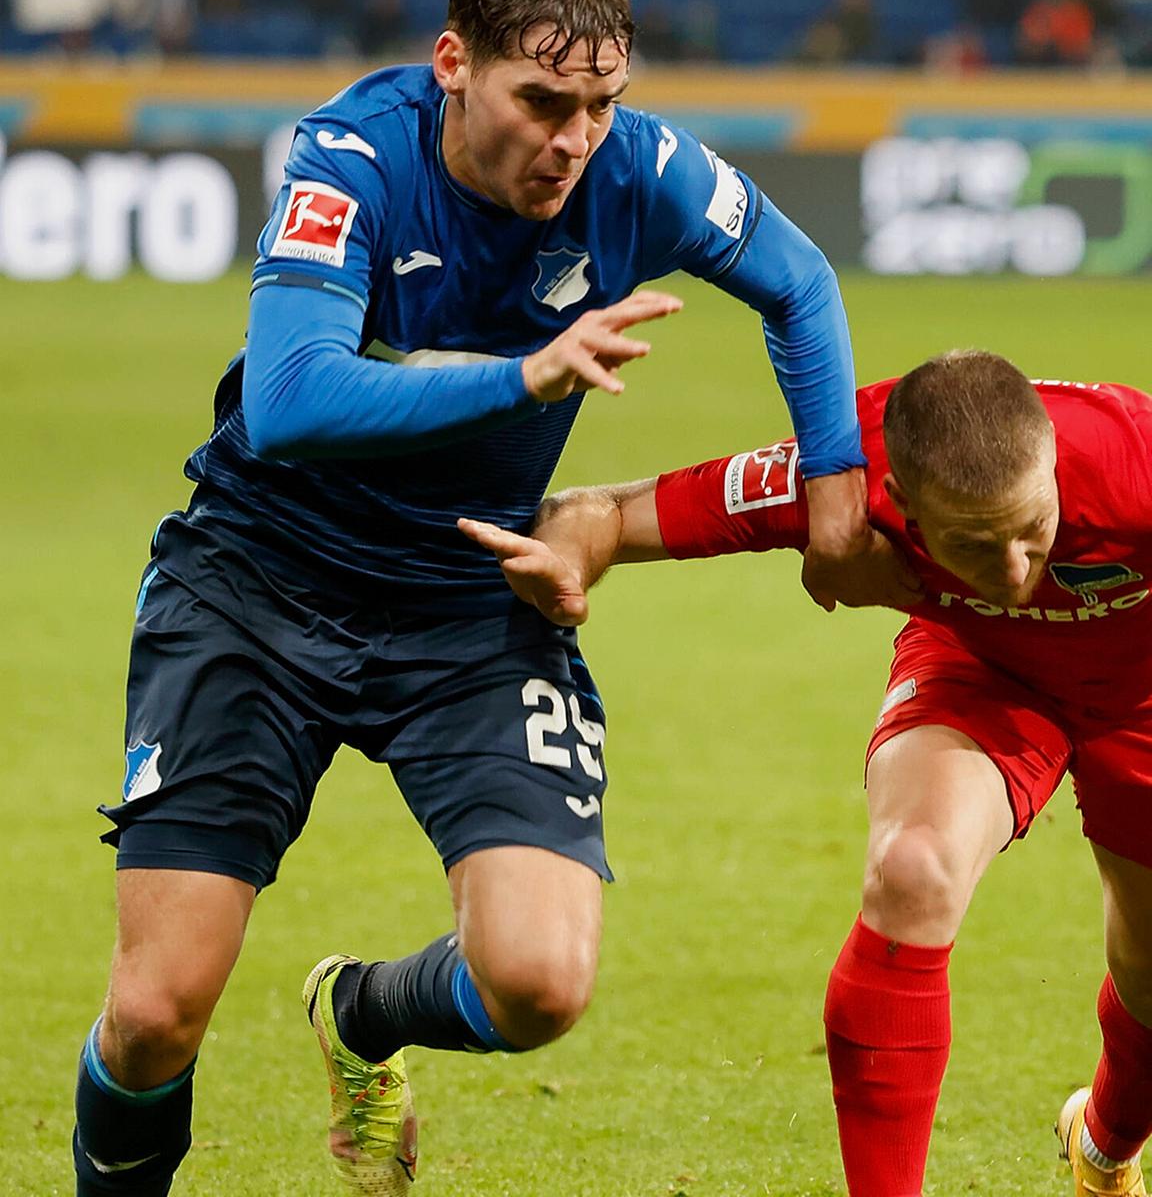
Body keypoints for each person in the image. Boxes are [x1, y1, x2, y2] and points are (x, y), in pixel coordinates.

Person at [71, 0, 910, 1196]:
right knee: (154, 1015)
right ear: (454, 61)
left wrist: (835, 482)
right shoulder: (353, 153)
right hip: (257, 584)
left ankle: (359, 1015)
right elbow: (292, 402)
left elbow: (801, 286)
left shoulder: (645, 171)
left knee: (540, 983)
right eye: (542, 100)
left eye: (600, 104)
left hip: (473, 595)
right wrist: (523, 378)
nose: (574, 140)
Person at [462, 350, 1152, 1197]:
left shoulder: (1136, 461)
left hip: (1144, 690)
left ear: (1053, 463)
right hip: (980, 670)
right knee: (912, 870)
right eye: (973, 544)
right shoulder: (841, 473)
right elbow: (602, 511)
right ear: (898, 501)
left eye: (1032, 532)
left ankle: (1107, 1145)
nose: (1015, 573)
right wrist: (567, 557)